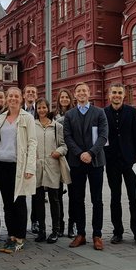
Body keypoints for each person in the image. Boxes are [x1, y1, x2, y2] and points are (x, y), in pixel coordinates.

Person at [63, 82, 108, 251]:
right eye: (79, 91)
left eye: (84, 90)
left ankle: (97, 234)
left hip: (95, 162)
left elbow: (103, 136)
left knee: (97, 199)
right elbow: (67, 137)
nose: (82, 93)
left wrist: (90, 153)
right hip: (76, 162)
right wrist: (79, 153)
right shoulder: (69, 115)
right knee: (77, 199)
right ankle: (80, 233)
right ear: (75, 95)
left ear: (89, 93)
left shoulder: (99, 112)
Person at [103, 83, 136, 247]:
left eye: (119, 93)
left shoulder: (131, 111)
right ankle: (117, 232)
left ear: (124, 95)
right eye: (114, 92)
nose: (117, 95)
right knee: (115, 198)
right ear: (109, 95)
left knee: (134, 198)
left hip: (130, 160)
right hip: (112, 161)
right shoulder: (103, 113)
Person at [0, 87, 37, 253]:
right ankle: (11, 234)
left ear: (21, 99)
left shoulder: (27, 118)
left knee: (18, 201)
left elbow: (32, 143)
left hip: (18, 165)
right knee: (6, 202)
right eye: (10, 96)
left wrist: (30, 167)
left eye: (16, 96)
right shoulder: (1, 118)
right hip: (1, 164)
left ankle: (19, 236)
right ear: (7, 98)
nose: (13, 99)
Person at [33, 98, 69, 244]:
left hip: (53, 165)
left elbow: (64, 145)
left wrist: (58, 151)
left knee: (54, 199)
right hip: (37, 166)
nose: (41, 110)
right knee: (38, 200)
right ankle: (41, 230)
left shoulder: (56, 126)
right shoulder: (32, 125)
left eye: (44, 107)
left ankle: (55, 230)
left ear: (48, 109)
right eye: (39, 108)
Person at [54, 87, 75, 238]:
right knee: (58, 194)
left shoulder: (75, 114)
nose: (64, 100)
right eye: (62, 97)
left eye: (67, 97)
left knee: (74, 194)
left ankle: (71, 225)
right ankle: (59, 225)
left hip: (72, 156)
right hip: (59, 157)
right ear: (58, 100)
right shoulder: (54, 116)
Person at [22, 84, 39, 234]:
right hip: (21, 155)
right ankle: (20, 223)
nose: (30, 94)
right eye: (28, 92)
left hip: (36, 155)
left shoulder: (40, 110)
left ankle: (35, 221)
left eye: (33, 92)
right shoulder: (18, 110)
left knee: (36, 191)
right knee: (20, 190)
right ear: (24, 95)